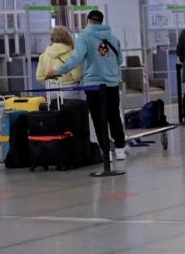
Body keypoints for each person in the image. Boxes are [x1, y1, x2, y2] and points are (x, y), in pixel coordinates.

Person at [46, 10, 126, 161]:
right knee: (114, 116)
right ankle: (120, 149)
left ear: (88, 20)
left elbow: (76, 58)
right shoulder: (113, 39)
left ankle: (106, 152)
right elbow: (120, 60)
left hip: (94, 86)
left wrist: (59, 70)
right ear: (101, 21)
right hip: (111, 85)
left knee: (98, 118)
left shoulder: (84, 37)